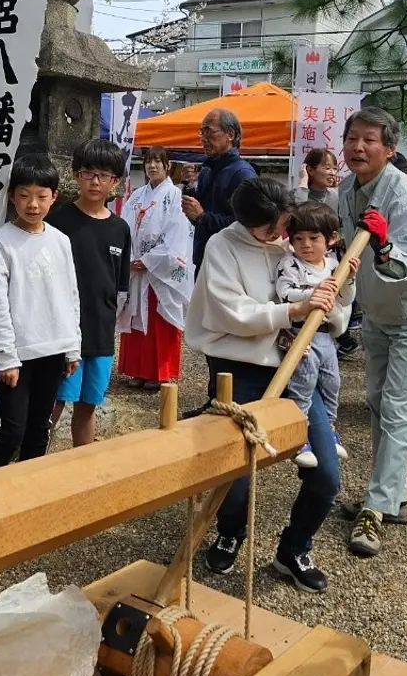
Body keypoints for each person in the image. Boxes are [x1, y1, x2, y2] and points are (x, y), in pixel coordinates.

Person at [185, 178, 344, 592]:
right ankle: (231, 530)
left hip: (298, 369)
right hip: (239, 369)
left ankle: (294, 548)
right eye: (268, 230)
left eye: (283, 225)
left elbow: (330, 310)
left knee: (326, 475)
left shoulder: (297, 238)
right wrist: (293, 309)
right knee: (237, 475)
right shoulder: (223, 246)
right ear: (243, 221)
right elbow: (231, 313)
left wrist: (338, 290)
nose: (279, 235)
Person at [337, 107, 407, 558]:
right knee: (380, 402)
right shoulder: (346, 189)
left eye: (369, 140)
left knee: (399, 408)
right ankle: (393, 495)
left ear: (391, 149)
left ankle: (376, 507)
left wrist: (385, 247)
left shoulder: (406, 197)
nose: (358, 147)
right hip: (378, 313)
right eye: (352, 139)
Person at [0, 156, 81, 469]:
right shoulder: (0, 242)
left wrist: (72, 347)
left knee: (40, 429)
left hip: (53, 348)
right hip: (19, 354)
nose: (33, 205)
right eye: (24, 196)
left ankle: (28, 498)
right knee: (11, 430)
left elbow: (70, 296)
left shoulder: (61, 241)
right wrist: (6, 356)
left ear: (54, 196)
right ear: (12, 196)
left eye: (41, 196)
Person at [48, 139, 131, 447]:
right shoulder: (58, 221)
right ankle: (31, 470)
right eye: (88, 173)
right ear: (76, 175)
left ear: (116, 182)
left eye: (104, 175)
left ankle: (83, 474)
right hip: (63, 331)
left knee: (88, 406)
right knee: (53, 405)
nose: (95, 181)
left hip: (100, 333)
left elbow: (121, 286)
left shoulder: (120, 228)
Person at [275, 202, 355, 468]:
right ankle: (300, 436)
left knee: (332, 382)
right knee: (303, 383)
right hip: (299, 332)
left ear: (330, 239)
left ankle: (329, 428)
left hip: (324, 335)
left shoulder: (334, 265)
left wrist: (350, 280)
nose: (306, 245)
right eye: (298, 239)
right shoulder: (290, 263)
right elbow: (284, 293)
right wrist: (313, 295)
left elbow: (345, 299)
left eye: (313, 238)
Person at [117, 145, 194, 388]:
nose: (152, 166)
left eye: (158, 161)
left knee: (159, 320)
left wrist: (149, 261)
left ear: (167, 165)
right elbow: (124, 227)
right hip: (136, 266)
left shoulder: (174, 197)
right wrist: (130, 257)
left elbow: (177, 235)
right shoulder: (137, 196)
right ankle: (138, 370)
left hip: (159, 269)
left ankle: (159, 372)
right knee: (136, 317)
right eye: (148, 161)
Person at [182, 108, 256, 272]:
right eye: (201, 133)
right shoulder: (207, 169)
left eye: (208, 132)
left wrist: (202, 216)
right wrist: (189, 186)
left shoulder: (242, 173)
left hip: (230, 264)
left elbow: (247, 225)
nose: (203, 139)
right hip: (205, 258)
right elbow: (196, 216)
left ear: (230, 135)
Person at [295, 147, 339, 212]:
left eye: (335, 169)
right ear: (310, 170)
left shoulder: (336, 197)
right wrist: (303, 181)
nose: (333, 173)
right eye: (327, 168)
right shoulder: (296, 195)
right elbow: (298, 213)